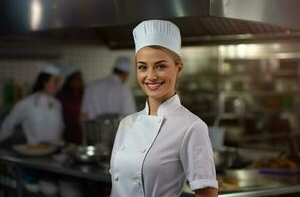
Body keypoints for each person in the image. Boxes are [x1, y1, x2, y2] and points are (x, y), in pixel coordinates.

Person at [109, 20, 218, 197]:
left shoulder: (191, 127)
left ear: (179, 68)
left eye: (160, 66)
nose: (150, 76)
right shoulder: (126, 124)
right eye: (142, 67)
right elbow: (116, 189)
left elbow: (207, 194)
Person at [0, 64, 64, 145]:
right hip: (35, 154)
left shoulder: (57, 104)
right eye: (56, 81)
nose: (58, 86)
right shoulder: (28, 103)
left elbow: (61, 128)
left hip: (56, 153)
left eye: (59, 82)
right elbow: (8, 124)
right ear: (45, 82)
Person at [81, 56, 136, 121]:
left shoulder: (91, 87)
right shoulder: (124, 90)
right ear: (126, 74)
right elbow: (130, 117)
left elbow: (82, 116)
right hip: (116, 130)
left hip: (94, 130)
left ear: (113, 70)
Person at [57, 65, 84, 144]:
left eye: (80, 78)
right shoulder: (62, 96)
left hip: (81, 132)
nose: (81, 81)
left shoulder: (83, 94)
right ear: (70, 80)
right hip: (68, 132)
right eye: (77, 79)